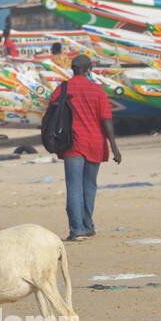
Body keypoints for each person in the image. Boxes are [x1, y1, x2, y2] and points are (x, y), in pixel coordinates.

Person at [51, 54, 122, 241]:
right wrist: (114, 147)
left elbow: (51, 112)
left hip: (71, 144)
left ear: (73, 68)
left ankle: (77, 229)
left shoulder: (62, 88)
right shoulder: (97, 90)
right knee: (89, 186)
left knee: (74, 187)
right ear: (88, 69)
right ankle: (88, 225)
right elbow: (106, 120)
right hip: (95, 143)